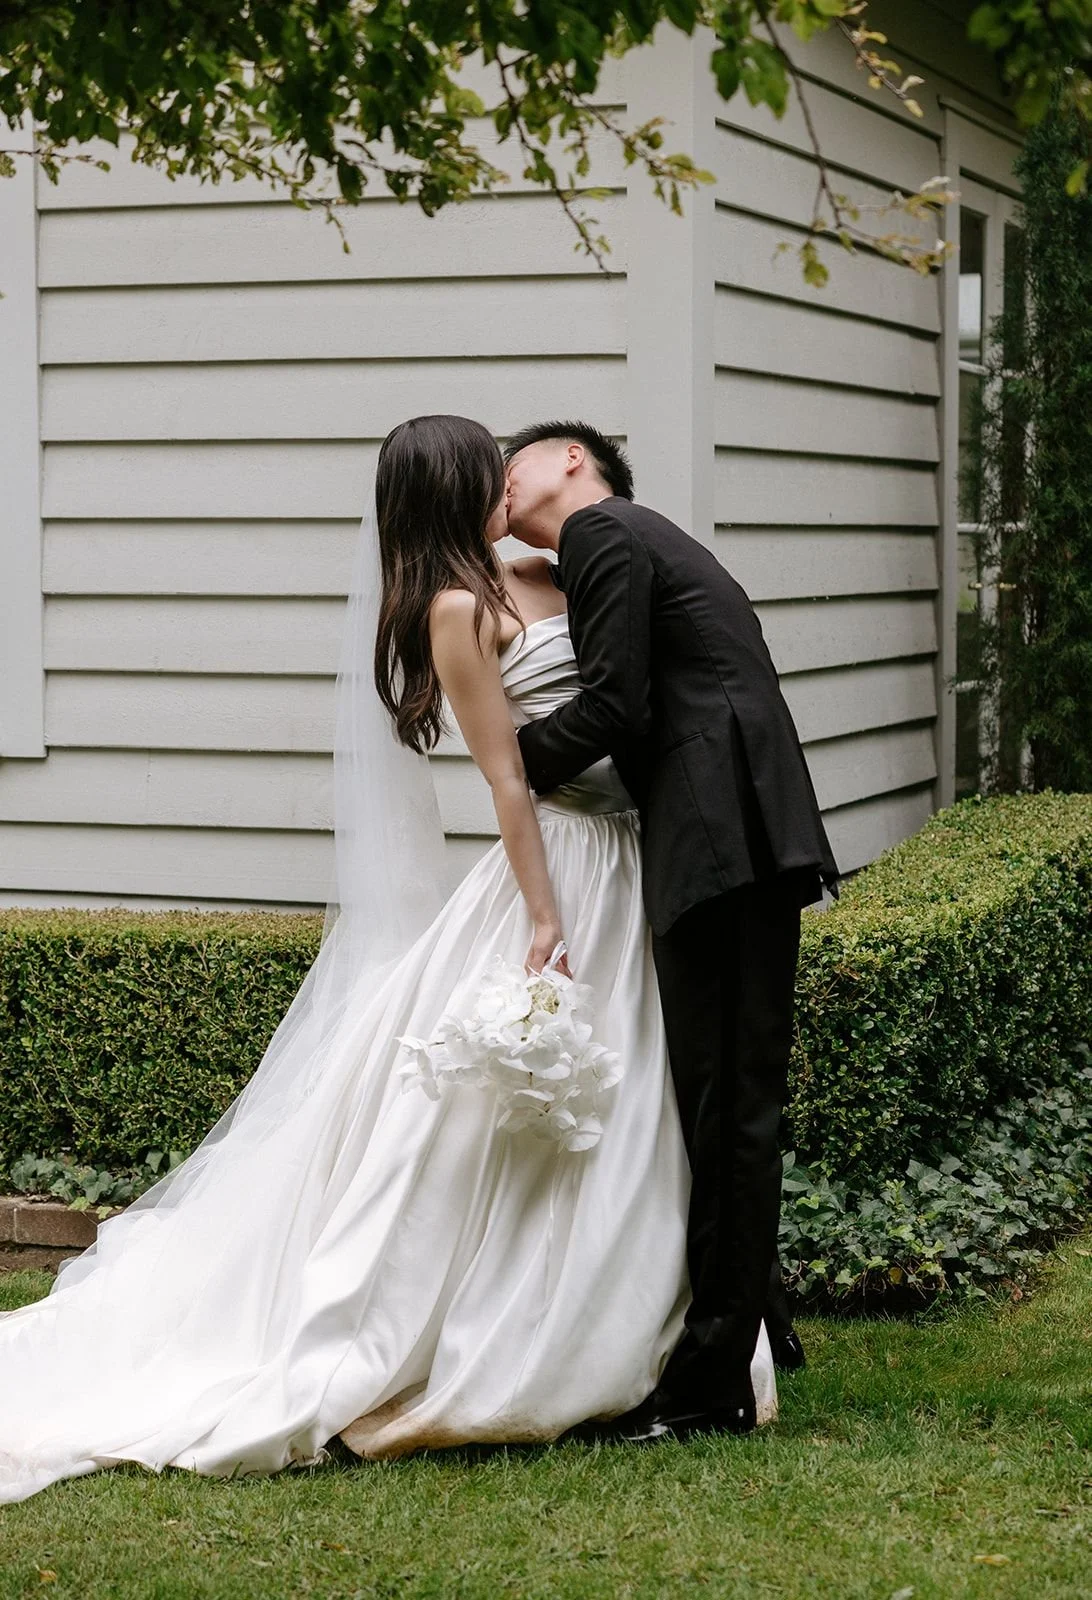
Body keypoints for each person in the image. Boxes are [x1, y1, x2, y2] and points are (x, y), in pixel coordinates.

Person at [0, 415, 776, 1507]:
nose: (508, 481)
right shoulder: (456, 610)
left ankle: (668, 1320)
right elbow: (507, 779)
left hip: (635, 855)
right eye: (489, 470)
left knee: (646, 1098)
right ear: (453, 490)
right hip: (560, 866)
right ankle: (494, 1329)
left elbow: (629, 690)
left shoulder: (553, 568)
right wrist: (542, 918)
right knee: (487, 1125)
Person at [505, 420, 839, 1444]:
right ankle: (757, 1324)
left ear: (574, 459)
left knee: (729, 1106)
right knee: (727, 1097)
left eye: (514, 462)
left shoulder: (602, 530)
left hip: (718, 835)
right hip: (732, 828)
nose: (499, 480)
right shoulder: (632, 540)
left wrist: (508, 764)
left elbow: (616, 704)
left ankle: (705, 1389)